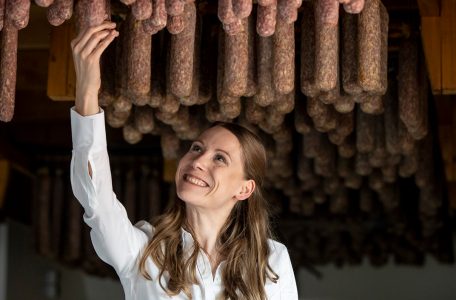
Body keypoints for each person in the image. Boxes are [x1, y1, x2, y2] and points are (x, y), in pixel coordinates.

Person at [69, 21, 298, 300]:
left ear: (244, 189)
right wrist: (87, 91)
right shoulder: (144, 251)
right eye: (197, 148)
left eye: (220, 158)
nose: (198, 161)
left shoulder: (272, 261)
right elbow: (97, 200)